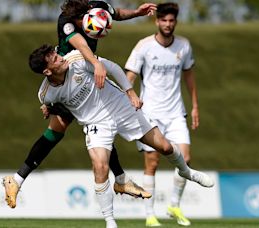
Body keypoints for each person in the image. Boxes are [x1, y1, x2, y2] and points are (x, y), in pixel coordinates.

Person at [28, 44, 214, 228]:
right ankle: (110, 221)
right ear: (47, 71)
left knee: (164, 147)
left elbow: (114, 69)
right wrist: (48, 109)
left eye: (56, 54)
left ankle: (186, 171)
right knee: (100, 166)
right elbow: (51, 104)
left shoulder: (77, 59)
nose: (60, 57)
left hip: (121, 106)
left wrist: (131, 93)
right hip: (96, 124)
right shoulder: (45, 94)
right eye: (54, 59)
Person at [2, 0, 157, 209]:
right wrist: (96, 63)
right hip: (69, 72)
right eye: (82, 21)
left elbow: (117, 13)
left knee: (86, 125)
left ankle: (17, 179)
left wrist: (137, 13)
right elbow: (80, 44)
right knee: (87, 124)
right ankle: (121, 180)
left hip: (83, 74)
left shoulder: (97, 7)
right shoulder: (66, 20)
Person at [125, 2, 201, 226]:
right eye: (164, 20)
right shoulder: (144, 46)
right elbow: (129, 77)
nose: (168, 24)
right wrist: (126, 100)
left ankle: (174, 206)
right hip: (150, 115)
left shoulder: (184, 46)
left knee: (185, 160)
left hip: (176, 113)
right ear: (157, 21)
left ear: (175, 22)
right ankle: (149, 215)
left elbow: (189, 76)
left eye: (171, 21)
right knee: (152, 163)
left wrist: (195, 105)